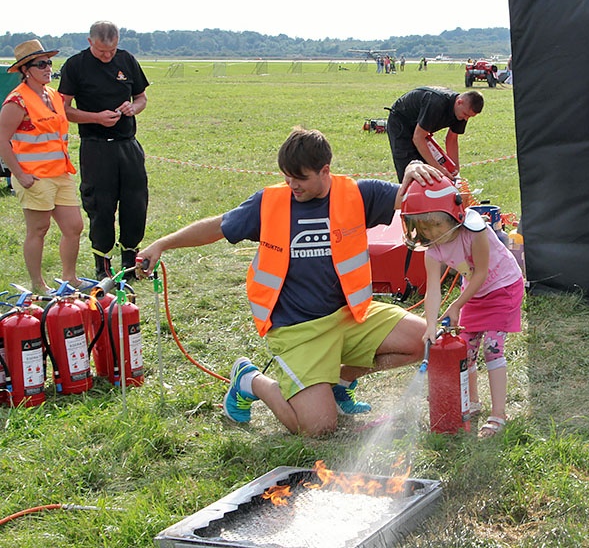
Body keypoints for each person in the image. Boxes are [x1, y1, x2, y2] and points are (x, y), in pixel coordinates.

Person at [137, 127, 440, 437]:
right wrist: (162, 244)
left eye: (301, 178)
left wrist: (414, 169)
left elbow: (414, 198)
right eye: (286, 177)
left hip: (351, 315)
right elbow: (216, 227)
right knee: (318, 429)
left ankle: (337, 381)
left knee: (426, 341)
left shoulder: (359, 194)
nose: (292, 185)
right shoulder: (269, 203)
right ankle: (250, 380)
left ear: (325, 171)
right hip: (298, 330)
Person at [401, 177, 524, 438]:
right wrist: (431, 324)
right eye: (424, 226)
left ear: (453, 214)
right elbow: (433, 288)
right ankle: (472, 402)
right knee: (465, 349)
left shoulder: (475, 230)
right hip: (475, 295)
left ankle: (498, 414)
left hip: (502, 288)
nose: (432, 232)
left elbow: (479, 273)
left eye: (436, 224)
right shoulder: (432, 249)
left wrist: (457, 305)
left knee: (492, 348)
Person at [59, 20, 150, 280]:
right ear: (90, 43)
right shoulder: (76, 66)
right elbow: (63, 109)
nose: (107, 56)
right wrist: (95, 117)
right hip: (96, 146)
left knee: (135, 203)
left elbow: (141, 97)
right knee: (100, 205)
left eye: (111, 51)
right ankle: (103, 265)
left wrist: (134, 108)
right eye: (101, 51)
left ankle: (131, 262)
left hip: (127, 145)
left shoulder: (126, 60)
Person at [0, 40, 85, 293]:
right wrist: (19, 174)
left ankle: (69, 278)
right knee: (39, 229)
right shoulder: (17, 101)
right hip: (34, 177)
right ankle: (38, 285)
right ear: (26, 70)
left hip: (60, 173)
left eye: (49, 62)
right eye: (41, 64)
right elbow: (2, 139)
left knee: (74, 227)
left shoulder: (53, 96)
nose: (48, 68)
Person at [386, 86, 484, 182]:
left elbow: (452, 139)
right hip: (401, 123)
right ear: (459, 102)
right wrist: (439, 168)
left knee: (428, 169)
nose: (466, 119)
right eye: (466, 114)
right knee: (411, 169)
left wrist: (455, 170)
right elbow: (418, 137)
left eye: (470, 117)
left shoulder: (462, 112)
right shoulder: (436, 103)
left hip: (420, 130)